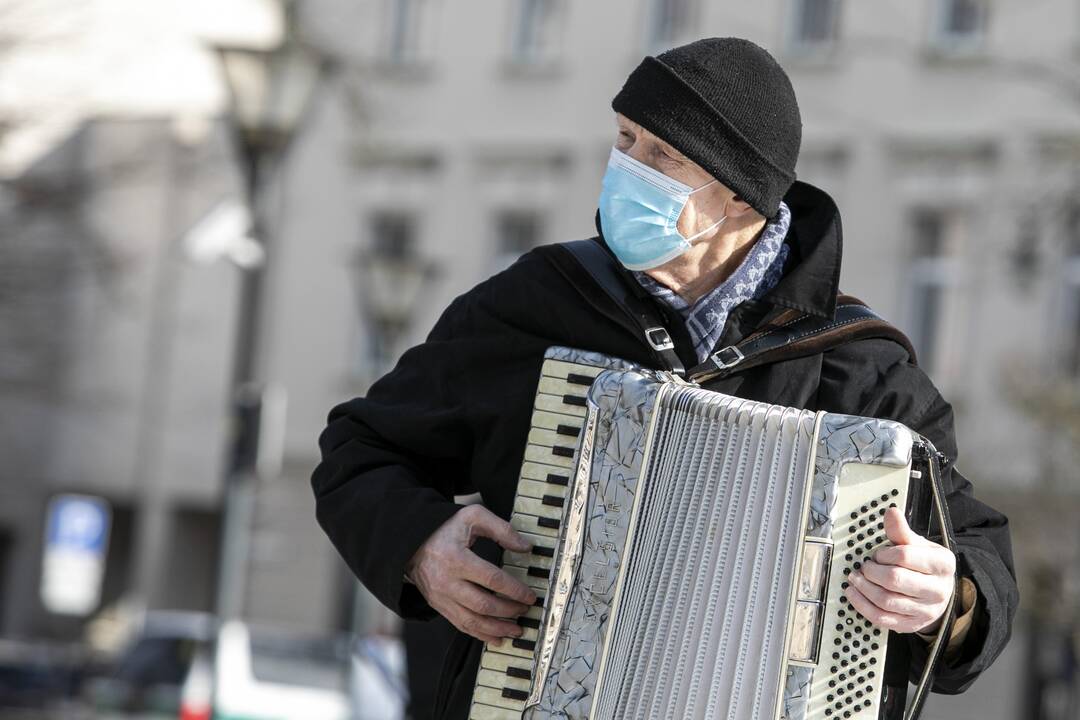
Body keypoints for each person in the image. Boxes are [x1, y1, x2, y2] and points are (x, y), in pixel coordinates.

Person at [311, 37, 1018, 719]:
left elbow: (980, 555)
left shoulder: (863, 371)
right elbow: (360, 450)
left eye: (662, 155)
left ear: (740, 198)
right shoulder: (535, 305)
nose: (627, 169)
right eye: (625, 141)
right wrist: (421, 546)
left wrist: (950, 601)